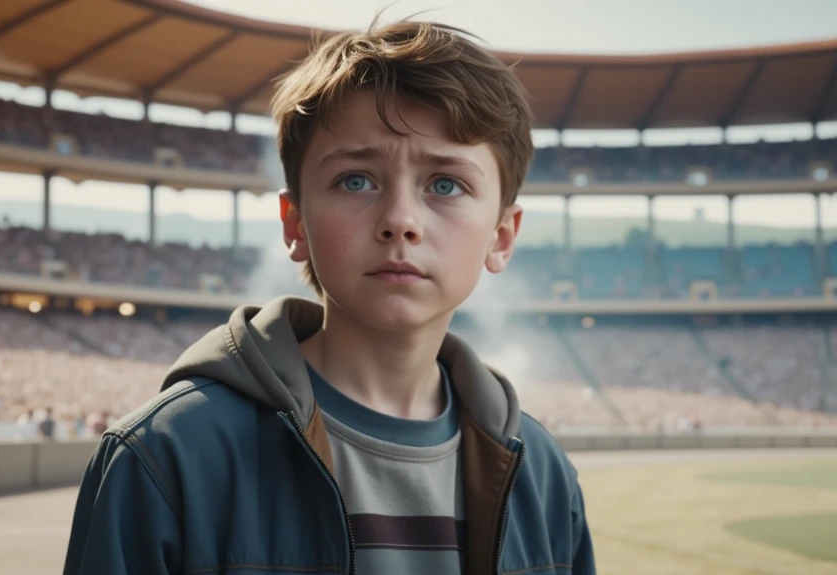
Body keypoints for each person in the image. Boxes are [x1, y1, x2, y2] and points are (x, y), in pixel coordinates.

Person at [65, 20, 595, 575]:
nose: (400, 221)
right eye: (356, 181)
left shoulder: (545, 478)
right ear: (294, 223)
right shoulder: (164, 457)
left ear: (501, 236)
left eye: (445, 184)